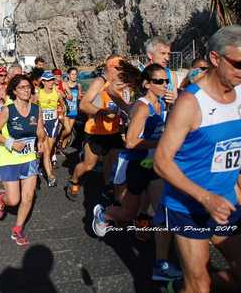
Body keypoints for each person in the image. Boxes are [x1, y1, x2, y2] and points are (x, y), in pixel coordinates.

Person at [154, 26, 241, 293]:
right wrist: (205, 197)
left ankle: (182, 285)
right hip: (189, 206)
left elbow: (234, 143)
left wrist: (240, 174)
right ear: (215, 59)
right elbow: (161, 161)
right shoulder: (191, 103)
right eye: (240, 64)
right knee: (200, 286)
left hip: (227, 201)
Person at [91, 63, 182, 281]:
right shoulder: (142, 107)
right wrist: (157, 142)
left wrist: (174, 107)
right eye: (159, 81)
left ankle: (161, 264)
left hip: (156, 168)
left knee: (163, 213)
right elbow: (131, 142)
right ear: (147, 84)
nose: (164, 85)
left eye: (166, 80)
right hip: (138, 166)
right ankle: (103, 214)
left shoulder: (162, 103)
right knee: (128, 214)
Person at [0, 74, 46, 246]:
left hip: (29, 157)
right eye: (21, 87)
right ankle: (2, 198)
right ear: (14, 91)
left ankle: (18, 229)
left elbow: (40, 132)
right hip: (9, 157)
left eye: (28, 87)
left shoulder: (36, 109)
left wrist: (41, 142)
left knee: (28, 197)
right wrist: (11, 143)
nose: (26, 90)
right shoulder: (9, 109)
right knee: (14, 200)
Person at [66, 56, 129, 199]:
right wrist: (103, 112)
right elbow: (83, 105)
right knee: (88, 165)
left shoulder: (122, 84)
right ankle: (74, 180)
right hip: (96, 132)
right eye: (118, 67)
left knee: (110, 161)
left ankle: (107, 187)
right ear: (110, 68)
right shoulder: (99, 82)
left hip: (113, 131)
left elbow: (124, 105)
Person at [36, 71, 66, 187]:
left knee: (49, 148)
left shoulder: (57, 92)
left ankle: (40, 164)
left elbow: (63, 105)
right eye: (48, 80)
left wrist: (61, 115)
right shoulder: (38, 93)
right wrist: (38, 119)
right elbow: (33, 107)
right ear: (43, 82)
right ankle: (50, 175)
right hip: (42, 124)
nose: (51, 82)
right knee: (47, 150)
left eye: (52, 80)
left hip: (53, 123)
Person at [144, 36, 178, 105]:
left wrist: (174, 100)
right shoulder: (138, 74)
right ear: (150, 55)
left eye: (168, 54)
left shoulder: (171, 75)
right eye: (163, 53)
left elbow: (175, 100)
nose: (167, 58)